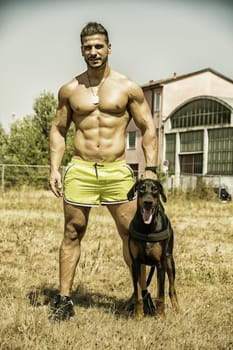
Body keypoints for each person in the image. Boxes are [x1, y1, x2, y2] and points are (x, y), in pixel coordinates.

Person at [49, 22, 158, 321]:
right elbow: (59, 130)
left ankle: (141, 297)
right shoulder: (70, 90)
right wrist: (54, 169)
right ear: (81, 50)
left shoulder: (127, 87)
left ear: (109, 48)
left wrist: (150, 171)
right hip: (81, 169)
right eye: (88, 47)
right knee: (72, 232)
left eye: (99, 46)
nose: (94, 52)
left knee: (131, 235)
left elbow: (148, 128)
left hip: (116, 171)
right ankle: (63, 301)